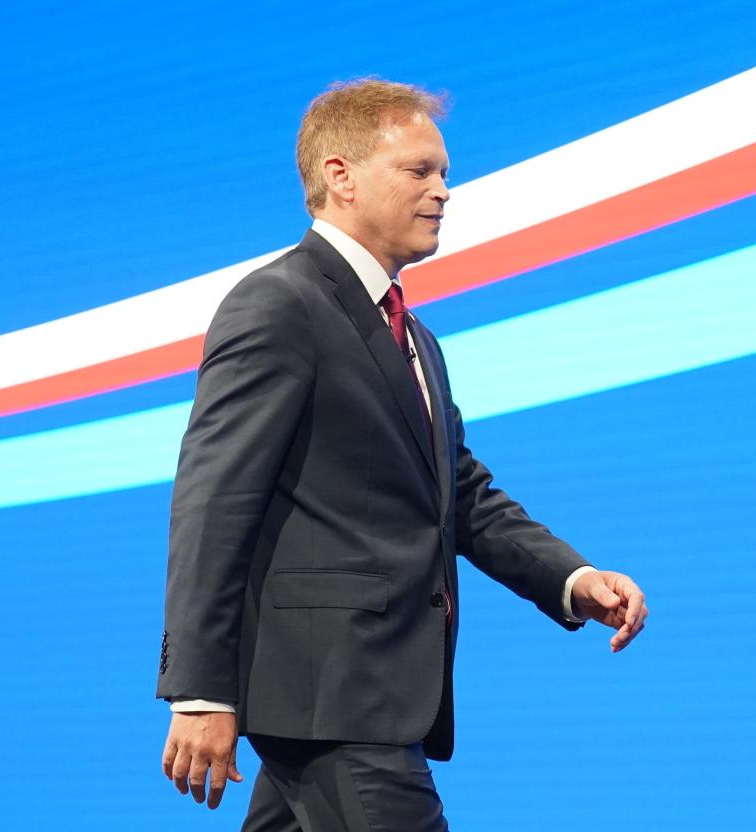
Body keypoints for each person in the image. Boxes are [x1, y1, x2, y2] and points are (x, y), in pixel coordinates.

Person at [156, 78, 649, 831]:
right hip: (336, 700)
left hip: (356, 699)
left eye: (444, 173)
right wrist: (200, 690)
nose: (444, 190)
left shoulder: (417, 340)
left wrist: (572, 579)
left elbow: (461, 495)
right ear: (340, 177)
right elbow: (212, 500)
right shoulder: (278, 304)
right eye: (419, 171)